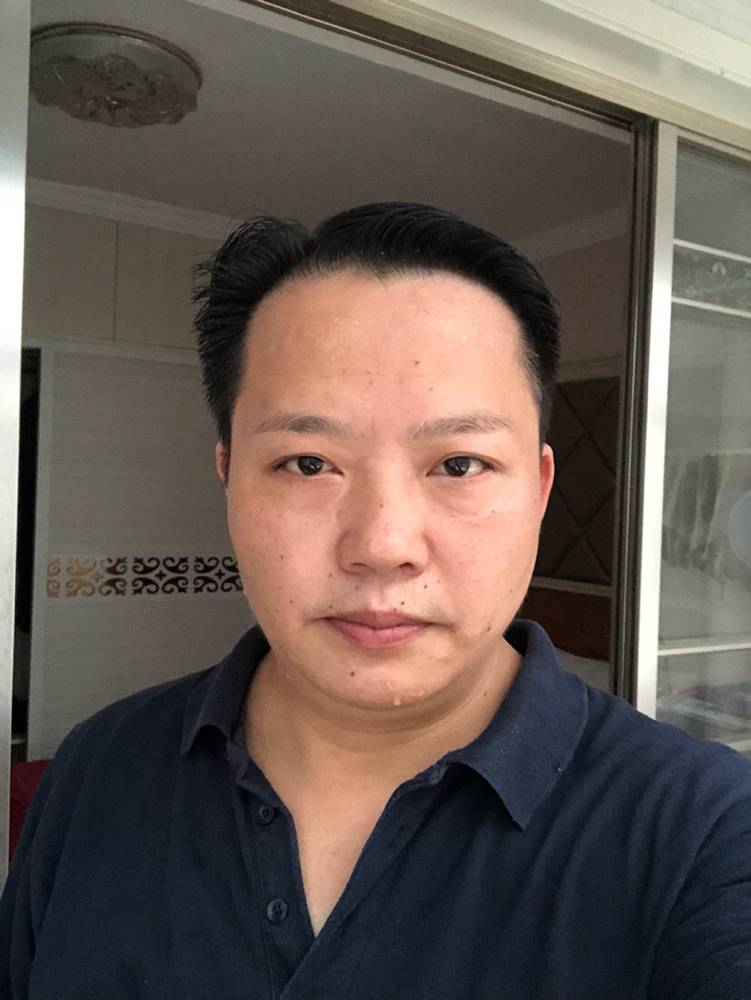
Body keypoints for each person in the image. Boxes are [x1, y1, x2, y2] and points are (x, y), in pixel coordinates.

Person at [1, 203, 750, 999]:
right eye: (307, 463)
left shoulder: (704, 835)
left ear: (538, 489)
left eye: (458, 464)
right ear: (228, 477)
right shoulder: (96, 767)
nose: (383, 544)